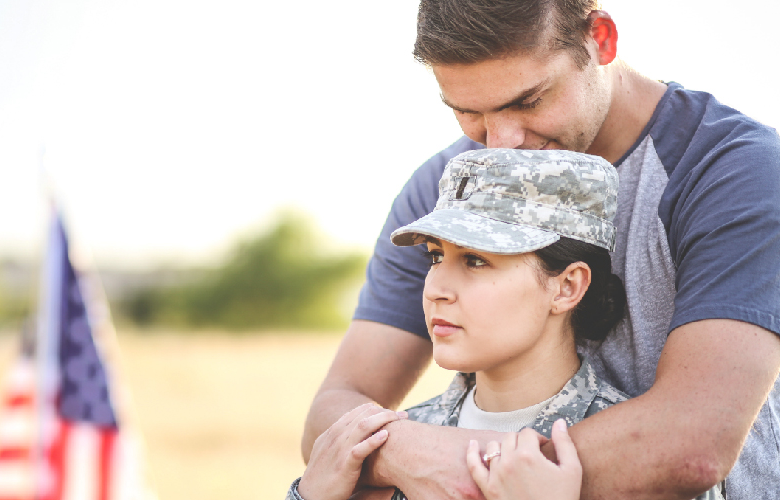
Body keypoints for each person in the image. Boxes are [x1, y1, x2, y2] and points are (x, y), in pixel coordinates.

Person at [301, 1, 780, 499]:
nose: (501, 144)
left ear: (601, 39)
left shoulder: (735, 172)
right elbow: (331, 415)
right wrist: (408, 452)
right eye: (468, 111)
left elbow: (689, 444)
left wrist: (460, 466)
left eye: (527, 101)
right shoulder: (447, 190)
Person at [289, 149, 720, 500]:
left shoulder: (645, 466)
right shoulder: (387, 446)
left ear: (567, 286)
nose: (436, 287)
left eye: (476, 260)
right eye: (436, 256)